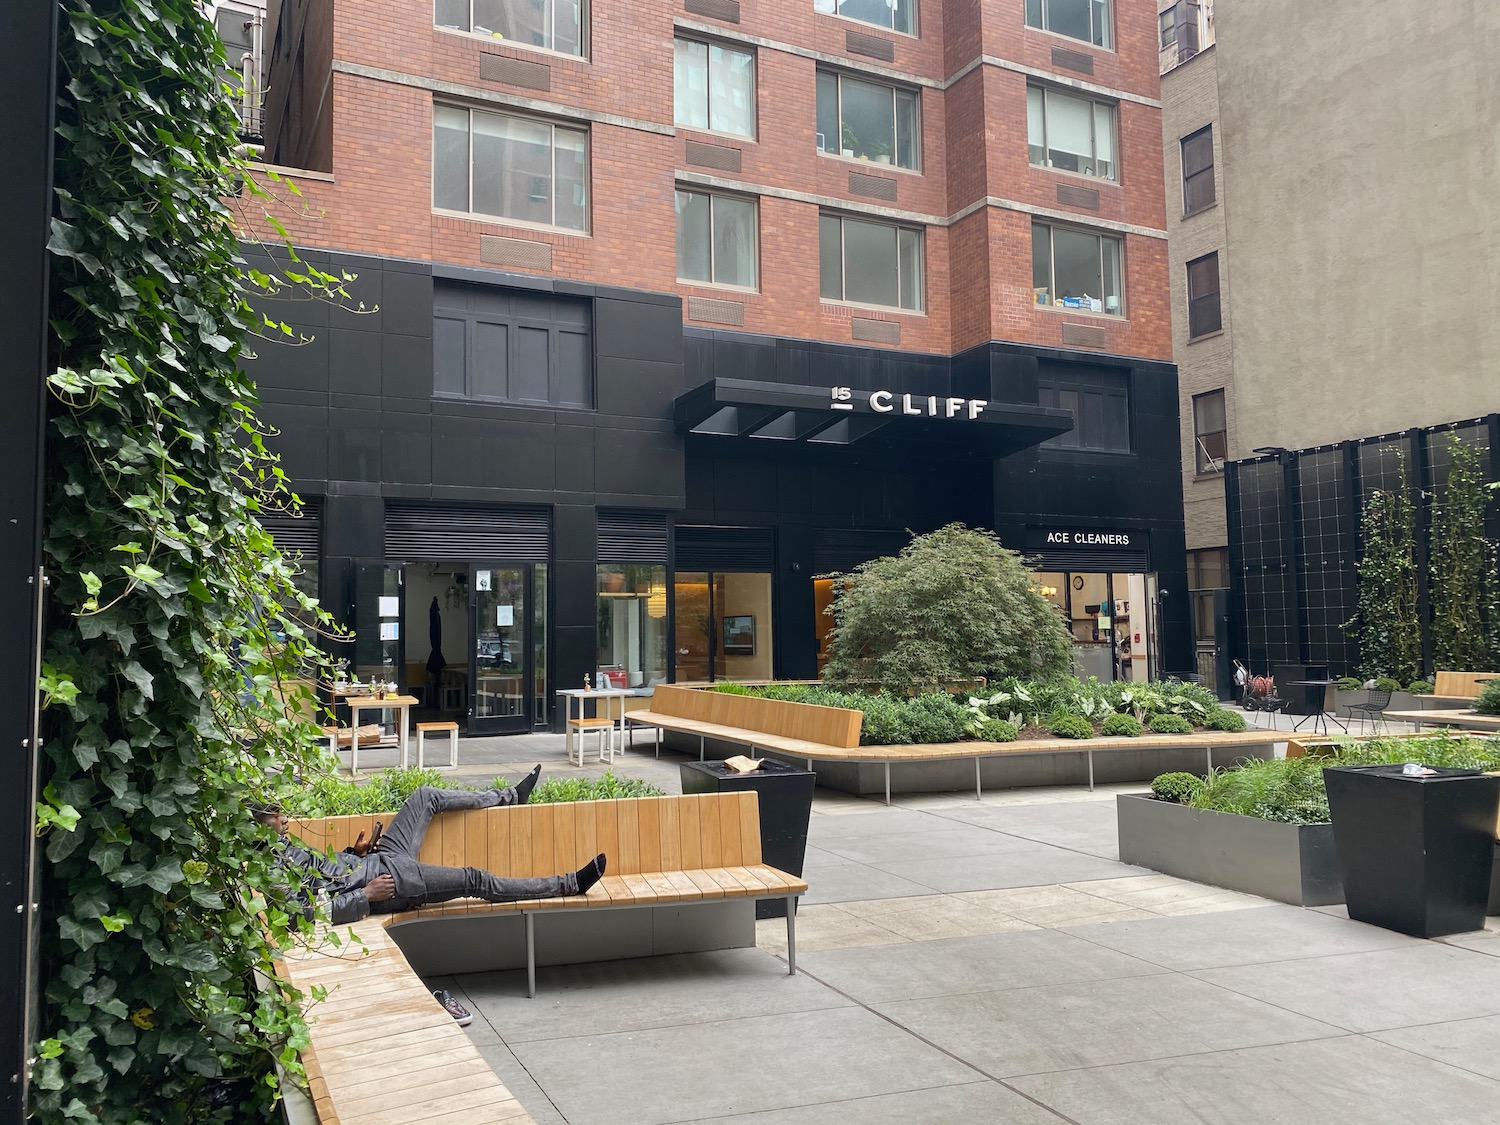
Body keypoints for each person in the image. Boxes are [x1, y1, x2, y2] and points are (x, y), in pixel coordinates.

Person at [252, 766, 608, 927]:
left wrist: (353, 852)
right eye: (275, 816)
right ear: (257, 824)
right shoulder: (270, 868)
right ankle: (569, 884)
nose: (285, 820)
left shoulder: (282, 843)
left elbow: (325, 876)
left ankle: (511, 796)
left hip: (377, 861)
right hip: (389, 883)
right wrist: (368, 896)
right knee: (474, 879)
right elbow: (304, 915)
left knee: (426, 796)